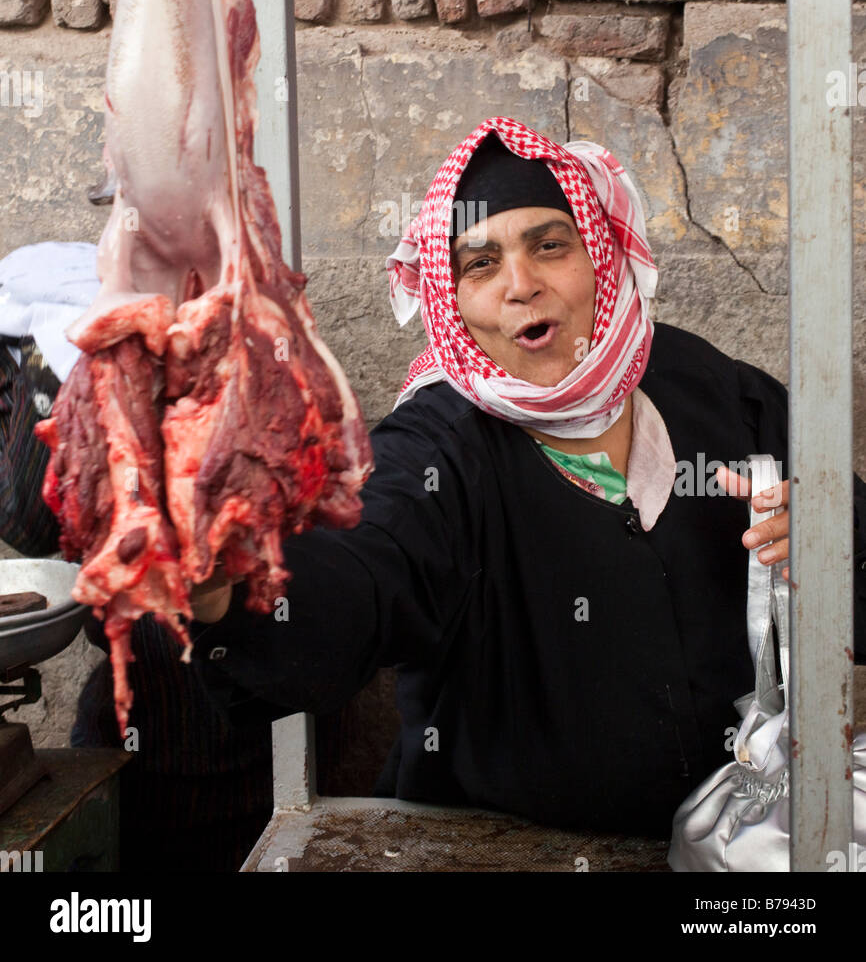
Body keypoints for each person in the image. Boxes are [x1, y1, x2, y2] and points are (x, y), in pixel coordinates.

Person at [187, 116, 866, 838]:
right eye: (480, 265)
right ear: (452, 304)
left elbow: (845, 534)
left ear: (600, 257)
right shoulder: (438, 451)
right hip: (495, 848)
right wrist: (227, 586)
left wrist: (831, 543)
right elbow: (361, 572)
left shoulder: (710, 389)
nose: (521, 285)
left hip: (735, 841)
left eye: (550, 246)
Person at [0, 241, 273, 873]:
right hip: (127, 725)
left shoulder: (199, 381)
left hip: (242, 732)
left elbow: (27, 517)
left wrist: (47, 385)